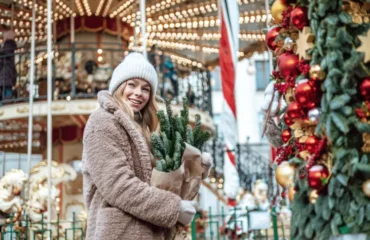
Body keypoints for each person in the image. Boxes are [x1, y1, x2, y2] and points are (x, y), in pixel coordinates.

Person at [82, 52, 198, 240]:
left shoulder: (146, 129)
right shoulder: (101, 122)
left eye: (145, 89)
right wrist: (173, 207)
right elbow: (118, 185)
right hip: (118, 232)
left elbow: (158, 180)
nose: (138, 93)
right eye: (132, 85)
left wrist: (193, 167)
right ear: (120, 86)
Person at [0, 29, 17, 101]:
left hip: (5, 76)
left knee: (6, 93)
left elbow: (3, 60)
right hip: (8, 76)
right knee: (7, 92)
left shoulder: (7, 46)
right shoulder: (10, 47)